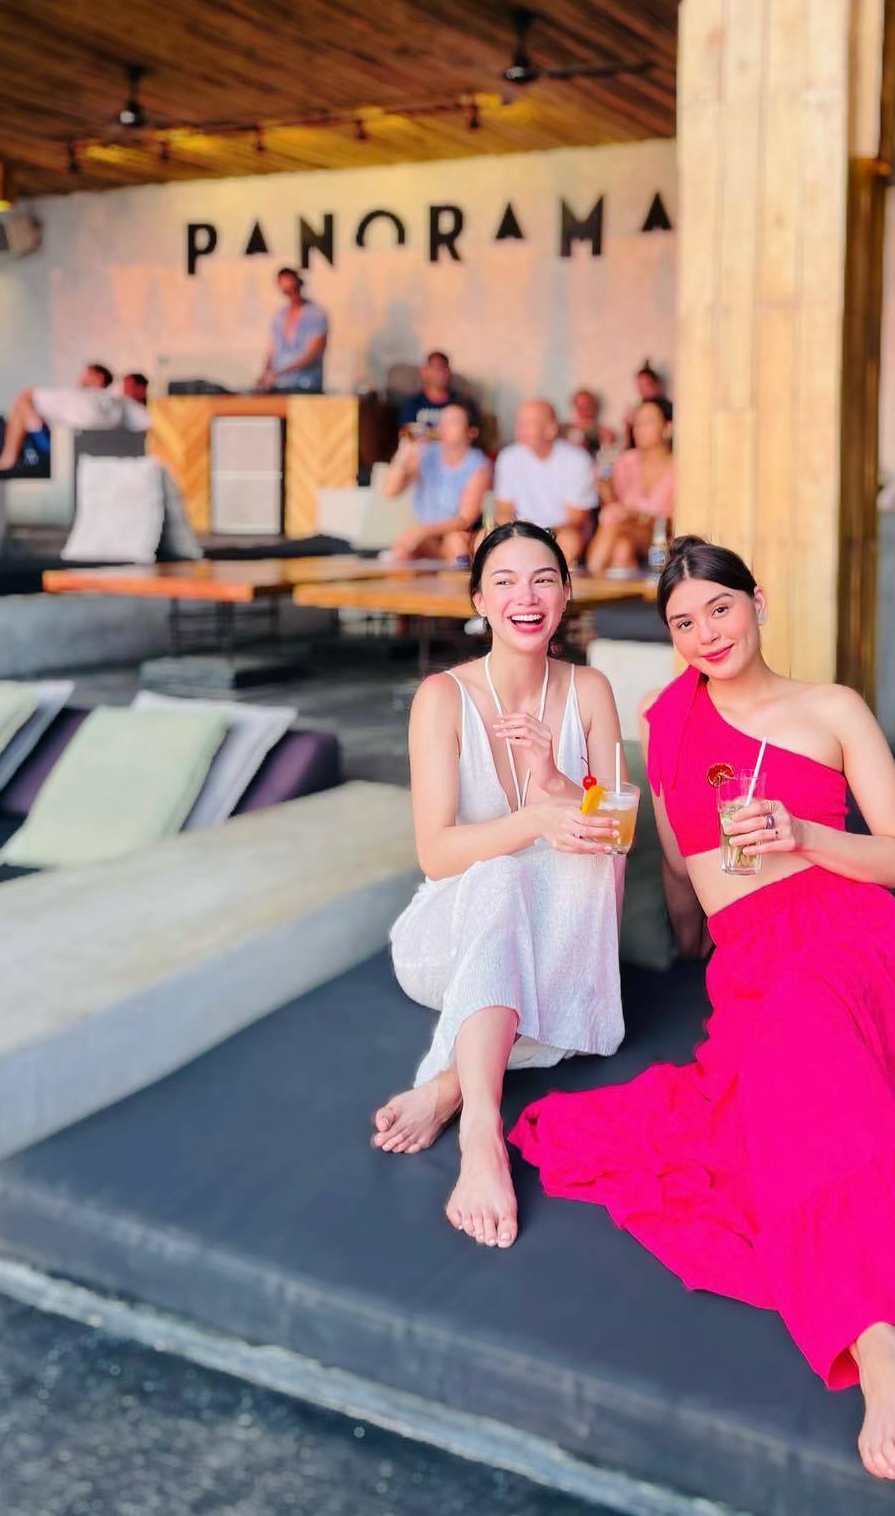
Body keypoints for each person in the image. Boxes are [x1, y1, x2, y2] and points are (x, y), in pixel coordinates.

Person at [510, 537, 895, 1483]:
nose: (705, 633)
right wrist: (576, 807)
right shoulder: (671, 725)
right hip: (751, 968)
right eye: (683, 622)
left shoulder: (832, 708)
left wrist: (805, 831)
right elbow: (676, 864)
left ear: (757, 601)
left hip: (854, 943)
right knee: (771, 1081)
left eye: (719, 608)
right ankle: (889, 1341)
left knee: (800, 1023)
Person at [373, 522, 626, 1250]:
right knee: (500, 873)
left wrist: (554, 782)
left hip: (558, 944)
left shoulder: (590, 690)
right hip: (452, 938)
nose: (527, 596)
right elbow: (437, 854)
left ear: (567, 593)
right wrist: (535, 820)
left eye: (544, 579)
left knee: (588, 859)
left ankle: (450, 1085)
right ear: (479, 599)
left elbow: (617, 837)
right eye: (506, 581)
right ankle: (481, 1133)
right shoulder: (442, 697)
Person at [492, 400, 600, 566]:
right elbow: (503, 509)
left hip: (559, 533)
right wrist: (517, 532)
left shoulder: (577, 459)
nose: (520, 429)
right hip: (519, 531)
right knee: (483, 537)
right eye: (519, 422)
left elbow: (576, 519)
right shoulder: (508, 457)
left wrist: (539, 536)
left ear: (551, 428)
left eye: (529, 423)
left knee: (570, 540)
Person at [382, 402, 491, 564]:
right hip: (427, 535)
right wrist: (403, 454)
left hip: (458, 532)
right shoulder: (426, 453)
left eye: (453, 422)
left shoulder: (478, 463)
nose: (443, 427)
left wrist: (422, 530)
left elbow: (465, 519)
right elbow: (389, 491)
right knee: (402, 547)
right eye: (442, 421)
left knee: (457, 544)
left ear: (471, 432)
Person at [586, 398, 675, 574]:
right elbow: (612, 508)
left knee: (616, 528)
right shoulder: (625, 461)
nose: (640, 429)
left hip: (660, 539)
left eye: (648, 422)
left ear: (668, 427)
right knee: (622, 548)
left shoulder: (677, 467)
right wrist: (606, 491)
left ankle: (591, 575)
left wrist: (634, 515)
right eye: (637, 423)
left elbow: (672, 522)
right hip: (625, 534)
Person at [0, 362, 128, 473]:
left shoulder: (76, 396)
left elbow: (27, 394)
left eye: (86, 374)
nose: (81, 377)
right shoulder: (118, 403)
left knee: (22, 403)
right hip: (98, 454)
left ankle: (8, 459)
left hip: (62, 452)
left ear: (98, 377)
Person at [254, 268, 328, 392]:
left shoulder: (315, 314)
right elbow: (272, 350)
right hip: (280, 385)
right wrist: (265, 373)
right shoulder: (280, 315)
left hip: (306, 385)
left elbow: (312, 352)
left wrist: (280, 372)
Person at [396, 351, 478, 435]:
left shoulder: (461, 402)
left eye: (444, 367)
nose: (441, 372)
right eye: (436, 368)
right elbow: (407, 433)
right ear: (424, 371)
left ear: (449, 371)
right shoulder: (411, 403)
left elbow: (471, 432)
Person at [623, 360, 669, 444]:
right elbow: (629, 443)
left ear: (656, 384)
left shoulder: (667, 408)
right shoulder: (637, 409)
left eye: (646, 385)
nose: (643, 389)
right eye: (640, 386)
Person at [562, 388, 617, 457]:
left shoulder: (604, 431)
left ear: (593, 407)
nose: (584, 411)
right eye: (580, 407)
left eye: (587, 407)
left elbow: (609, 446)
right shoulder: (566, 429)